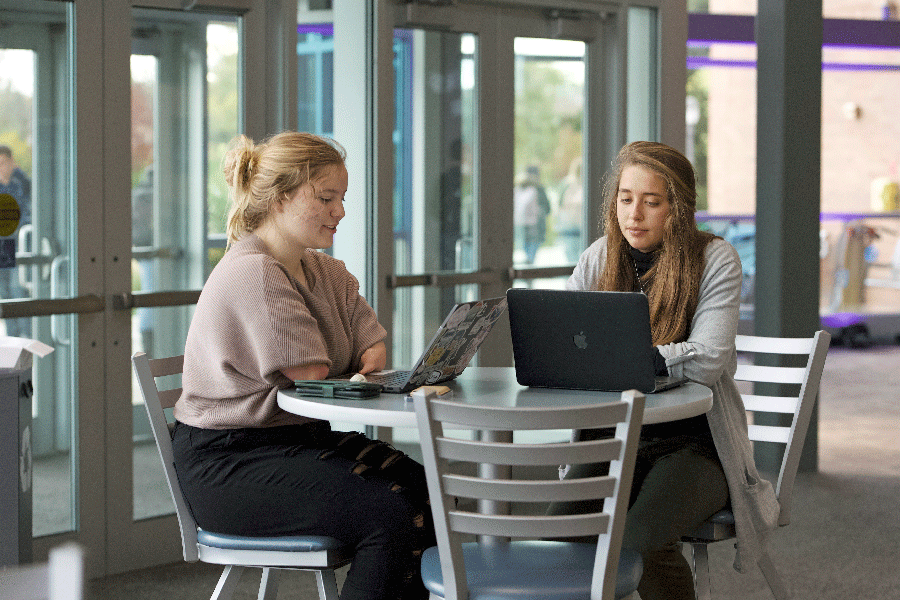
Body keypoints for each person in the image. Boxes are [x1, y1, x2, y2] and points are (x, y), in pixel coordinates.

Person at [171, 132, 435, 600]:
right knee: (388, 512)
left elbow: (372, 349)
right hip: (230, 461)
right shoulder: (253, 271)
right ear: (279, 198)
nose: (341, 212)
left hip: (295, 442)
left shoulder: (325, 271)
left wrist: (355, 362)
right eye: (326, 198)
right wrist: (347, 364)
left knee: (423, 488)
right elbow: (310, 374)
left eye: (342, 199)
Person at [548, 141, 779, 600]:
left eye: (652, 202)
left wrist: (628, 359)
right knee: (563, 537)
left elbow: (709, 360)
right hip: (614, 441)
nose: (634, 214)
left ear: (679, 208)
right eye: (626, 199)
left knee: (637, 544)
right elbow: (561, 341)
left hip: (697, 446)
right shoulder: (598, 257)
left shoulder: (715, 258)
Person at [0, 145, 32, 337]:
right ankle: (13, 337)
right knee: (5, 292)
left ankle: (25, 337)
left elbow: (27, 213)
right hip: (3, 245)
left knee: (18, 288)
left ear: (12, 162)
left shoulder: (21, 183)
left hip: (17, 242)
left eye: (4, 163)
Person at [513, 165, 550, 264]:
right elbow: (547, 208)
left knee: (526, 246)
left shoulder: (518, 188)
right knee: (532, 247)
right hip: (535, 225)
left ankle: (528, 267)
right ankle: (529, 267)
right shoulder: (538, 189)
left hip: (521, 223)